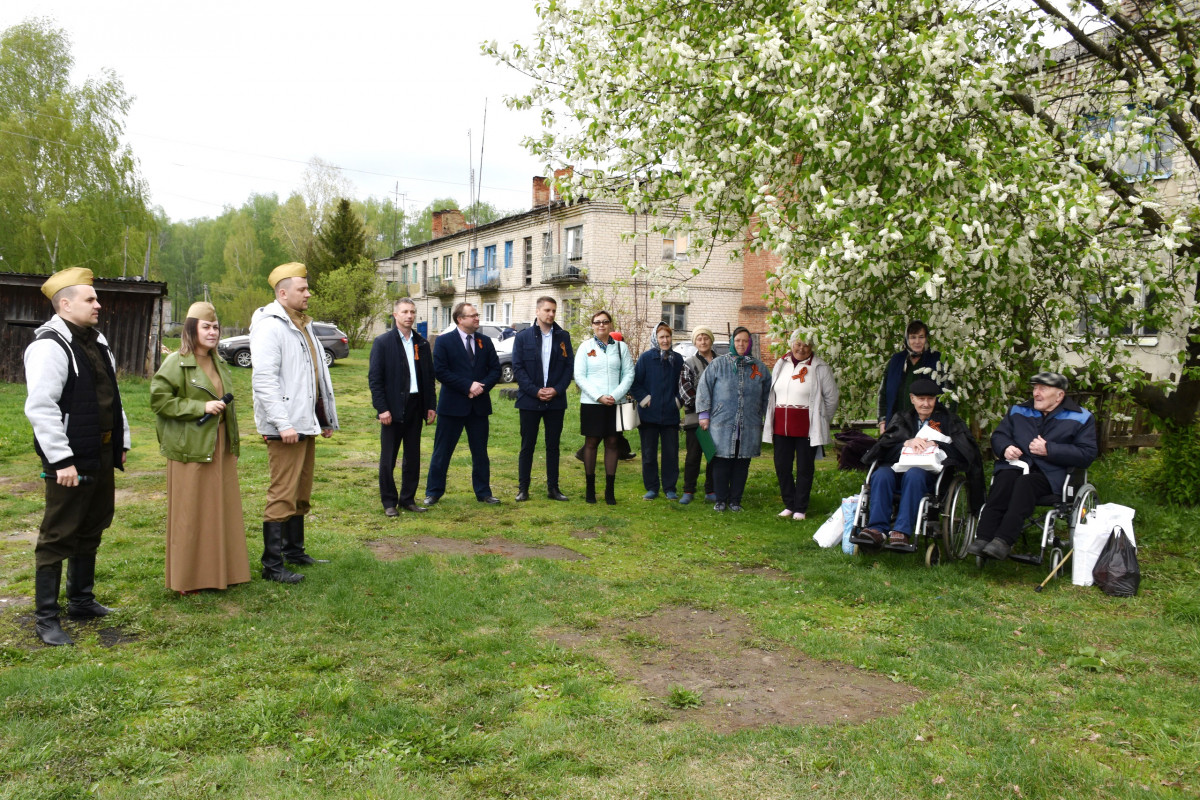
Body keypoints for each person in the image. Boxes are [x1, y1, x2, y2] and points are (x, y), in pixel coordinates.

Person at [24, 268, 130, 646]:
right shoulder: (50, 345)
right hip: (70, 457)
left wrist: (121, 440)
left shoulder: (97, 342)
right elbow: (41, 407)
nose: (98, 304)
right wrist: (60, 460)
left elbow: (111, 396)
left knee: (93, 525)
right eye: (90, 299)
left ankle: (81, 601)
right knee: (58, 534)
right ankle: (46, 619)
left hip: (100, 450)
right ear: (65, 304)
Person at [150, 301, 250, 594]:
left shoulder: (218, 361)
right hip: (191, 446)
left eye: (216, 327)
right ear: (191, 330)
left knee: (219, 509)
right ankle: (188, 578)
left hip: (219, 445)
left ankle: (223, 571)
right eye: (206, 327)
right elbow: (159, 401)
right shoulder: (175, 362)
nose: (213, 332)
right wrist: (200, 406)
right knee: (191, 512)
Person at [250, 262, 340, 584]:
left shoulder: (302, 324)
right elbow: (264, 380)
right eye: (303, 289)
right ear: (283, 292)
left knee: (301, 490)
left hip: (304, 422)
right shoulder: (270, 326)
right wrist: (282, 423)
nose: (309, 293)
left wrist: (323, 418)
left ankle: (294, 550)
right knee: (282, 492)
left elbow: (313, 376)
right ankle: (272, 566)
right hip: (285, 427)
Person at [968, 372, 1097, 560]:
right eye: (1035, 388)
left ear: (1059, 395)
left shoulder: (1081, 417)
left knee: (1025, 484)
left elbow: (1087, 454)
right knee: (1004, 479)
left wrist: (1049, 450)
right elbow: (999, 435)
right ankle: (983, 538)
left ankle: (1003, 540)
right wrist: (1006, 448)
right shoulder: (1019, 411)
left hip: (1053, 475)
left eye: (1042, 389)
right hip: (1019, 466)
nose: (1036, 393)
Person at [854, 378, 983, 550]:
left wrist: (938, 445)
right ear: (912, 398)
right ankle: (877, 529)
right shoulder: (901, 419)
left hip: (929, 478)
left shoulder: (949, 421)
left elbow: (966, 452)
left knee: (914, 474)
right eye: (921, 399)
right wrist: (905, 444)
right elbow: (883, 449)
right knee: (881, 474)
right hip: (897, 472)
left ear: (936, 400)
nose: (926, 404)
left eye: (930, 399)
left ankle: (901, 531)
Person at [424, 302, 502, 505]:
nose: (477, 318)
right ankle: (433, 492)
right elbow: (441, 371)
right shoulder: (444, 342)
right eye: (473, 315)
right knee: (442, 451)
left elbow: (495, 370)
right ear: (460, 319)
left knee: (480, 452)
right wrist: (468, 386)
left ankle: (484, 492)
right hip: (452, 406)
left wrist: (481, 387)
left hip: (479, 406)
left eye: (477, 315)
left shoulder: (485, 341)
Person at [368, 297, 436, 517]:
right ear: (395, 315)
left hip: (416, 406)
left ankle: (408, 499)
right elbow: (375, 379)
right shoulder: (383, 342)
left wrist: (430, 406)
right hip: (393, 407)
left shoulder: (422, 343)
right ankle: (389, 502)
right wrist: (382, 408)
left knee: (413, 456)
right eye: (405, 312)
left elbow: (428, 378)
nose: (410, 316)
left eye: (413, 312)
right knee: (389, 457)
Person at [763, 332, 840, 520]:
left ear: (812, 347)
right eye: (798, 344)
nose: (801, 348)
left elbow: (832, 398)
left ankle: (800, 508)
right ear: (791, 344)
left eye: (806, 345)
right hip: (781, 425)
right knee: (782, 466)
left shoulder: (820, 367)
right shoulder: (782, 363)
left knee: (804, 468)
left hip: (806, 427)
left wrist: (822, 419)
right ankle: (789, 504)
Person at [697, 327, 770, 512]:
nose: (741, 344)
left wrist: (765, 416)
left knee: (742, 462)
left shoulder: (759, 367)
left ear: (750, 343)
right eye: (738, 340)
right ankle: (720, 500)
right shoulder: (718, 364)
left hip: (749, 423)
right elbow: (704, 388)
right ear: (732, 341)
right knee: (721, 461)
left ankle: (736, 500)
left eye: (745, 341)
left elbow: (767, 395)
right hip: (721, 422)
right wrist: (704, 415)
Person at [511, 297, 574, 501]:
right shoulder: (523, 337)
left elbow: (568, 368)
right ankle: (523, 489)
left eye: (554, 311)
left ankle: (553, 488)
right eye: (547, 310)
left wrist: (556, 390)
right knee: (527, 445)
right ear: (537, 311)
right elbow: (518, 369)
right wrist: (535, 391)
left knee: (553, 445)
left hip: (555, 401)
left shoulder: (563, 336)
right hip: (530, 400)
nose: (551, 314)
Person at [573, 310, 635, 505]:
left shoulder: (621, 347)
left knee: (612, 443)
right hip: (592, 402)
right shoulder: (585, 347)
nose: (601, 325)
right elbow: (580, 376)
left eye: (605, 322)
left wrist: (615, 395)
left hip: (615, 402)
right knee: (591, 443)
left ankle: (610, 490)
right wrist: (599, 396)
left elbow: (628, 374)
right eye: (597, 322)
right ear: (592, 325)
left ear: (610, 324)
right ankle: (590, 489)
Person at [632, 322, 685, 500]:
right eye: (662, 337)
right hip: (648, 415)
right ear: (656, 338)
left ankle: (670, 488)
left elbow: (684, 384)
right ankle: (652, 487)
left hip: (670, 415)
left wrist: (677, 401)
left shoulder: (677, 359)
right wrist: (646, 400)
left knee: (671, 454)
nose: (665, 340)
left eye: (668, 337)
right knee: (649, 454)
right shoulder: (646, 358)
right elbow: (635, 383)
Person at [878, 320, 945, 434]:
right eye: (913, 337)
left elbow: (947, 394)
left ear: (926, 338)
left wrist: (944, 423)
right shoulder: (896, 360)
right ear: (907, 339)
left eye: (921, 337)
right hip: (897, 423)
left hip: (929, 425)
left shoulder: (937, 360)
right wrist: (883, 421)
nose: (917, 342)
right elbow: (884, 392)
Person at [678, 326, 717, 504]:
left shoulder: (720, 361)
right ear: (695, 342)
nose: (703, 342)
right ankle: (688, 490)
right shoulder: (689, 363)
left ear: (711, 340)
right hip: (695, 417)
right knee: (693, 455)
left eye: (706, 338)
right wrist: (703, 409)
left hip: (718, 417)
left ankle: (711, 490)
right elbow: (686, 389)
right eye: (699, 339)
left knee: (713, 455)